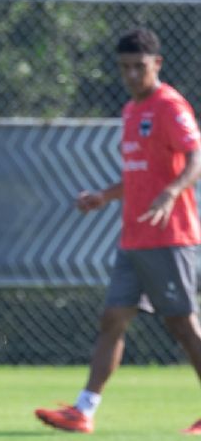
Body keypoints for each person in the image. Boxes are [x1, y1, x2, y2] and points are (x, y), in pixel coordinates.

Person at [35, 28, 201, 435]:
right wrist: (104, 197)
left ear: (156, 64)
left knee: (182, 323)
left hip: (170, 235)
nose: (131, 74)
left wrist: (173, 191)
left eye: (139, 67)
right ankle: (83, 409)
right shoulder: (131, 110)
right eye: (124, 67)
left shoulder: (169, 105)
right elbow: (138, 173)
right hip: (134, 238)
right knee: (112, 318)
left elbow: (196, 155)